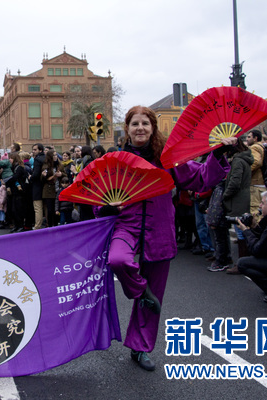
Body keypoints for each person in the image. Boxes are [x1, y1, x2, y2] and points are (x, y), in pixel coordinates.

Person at [97, 106, 231, 371]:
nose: (140, 128)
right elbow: (97, 195)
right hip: (127, 225)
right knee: (118, 260)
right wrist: (107, 208)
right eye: (135, 123)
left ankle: (140, 348)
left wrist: (217, 153)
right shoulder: (116, 160)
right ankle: (141, 291)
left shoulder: (168, 158)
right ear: (127, 129)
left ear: (153, 128)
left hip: (159, 227)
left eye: (145, 123)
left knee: (156, 288)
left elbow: (201, 177)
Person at [209, 139, 253, 273]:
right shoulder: (243, 159)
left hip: (238, 200)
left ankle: (241, 264)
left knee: (240, 231)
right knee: (240, 230)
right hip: (241, 197)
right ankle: (241, 262)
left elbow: (235, 182)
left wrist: (224, 196)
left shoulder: (238, 161)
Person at [246, 130, 266, 222]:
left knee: (255, 212)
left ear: (255, 138)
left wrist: (246, 172)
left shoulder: (254, 147)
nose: (247, 139)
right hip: (259, 184)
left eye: (249, 137)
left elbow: (256, 162)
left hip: (255, 184)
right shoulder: (262, 146)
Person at [30, 144, 46, 230]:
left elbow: (36, 174)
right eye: (33, 149)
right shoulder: (46, 158)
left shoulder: (37, 159)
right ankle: (48, 224)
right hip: (46, 185)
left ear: (40, 150)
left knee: (38, 207)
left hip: (37, 186)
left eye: (35, 150)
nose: (33, 151)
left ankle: (37, 226)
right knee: (46, 207)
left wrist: (30, 177)